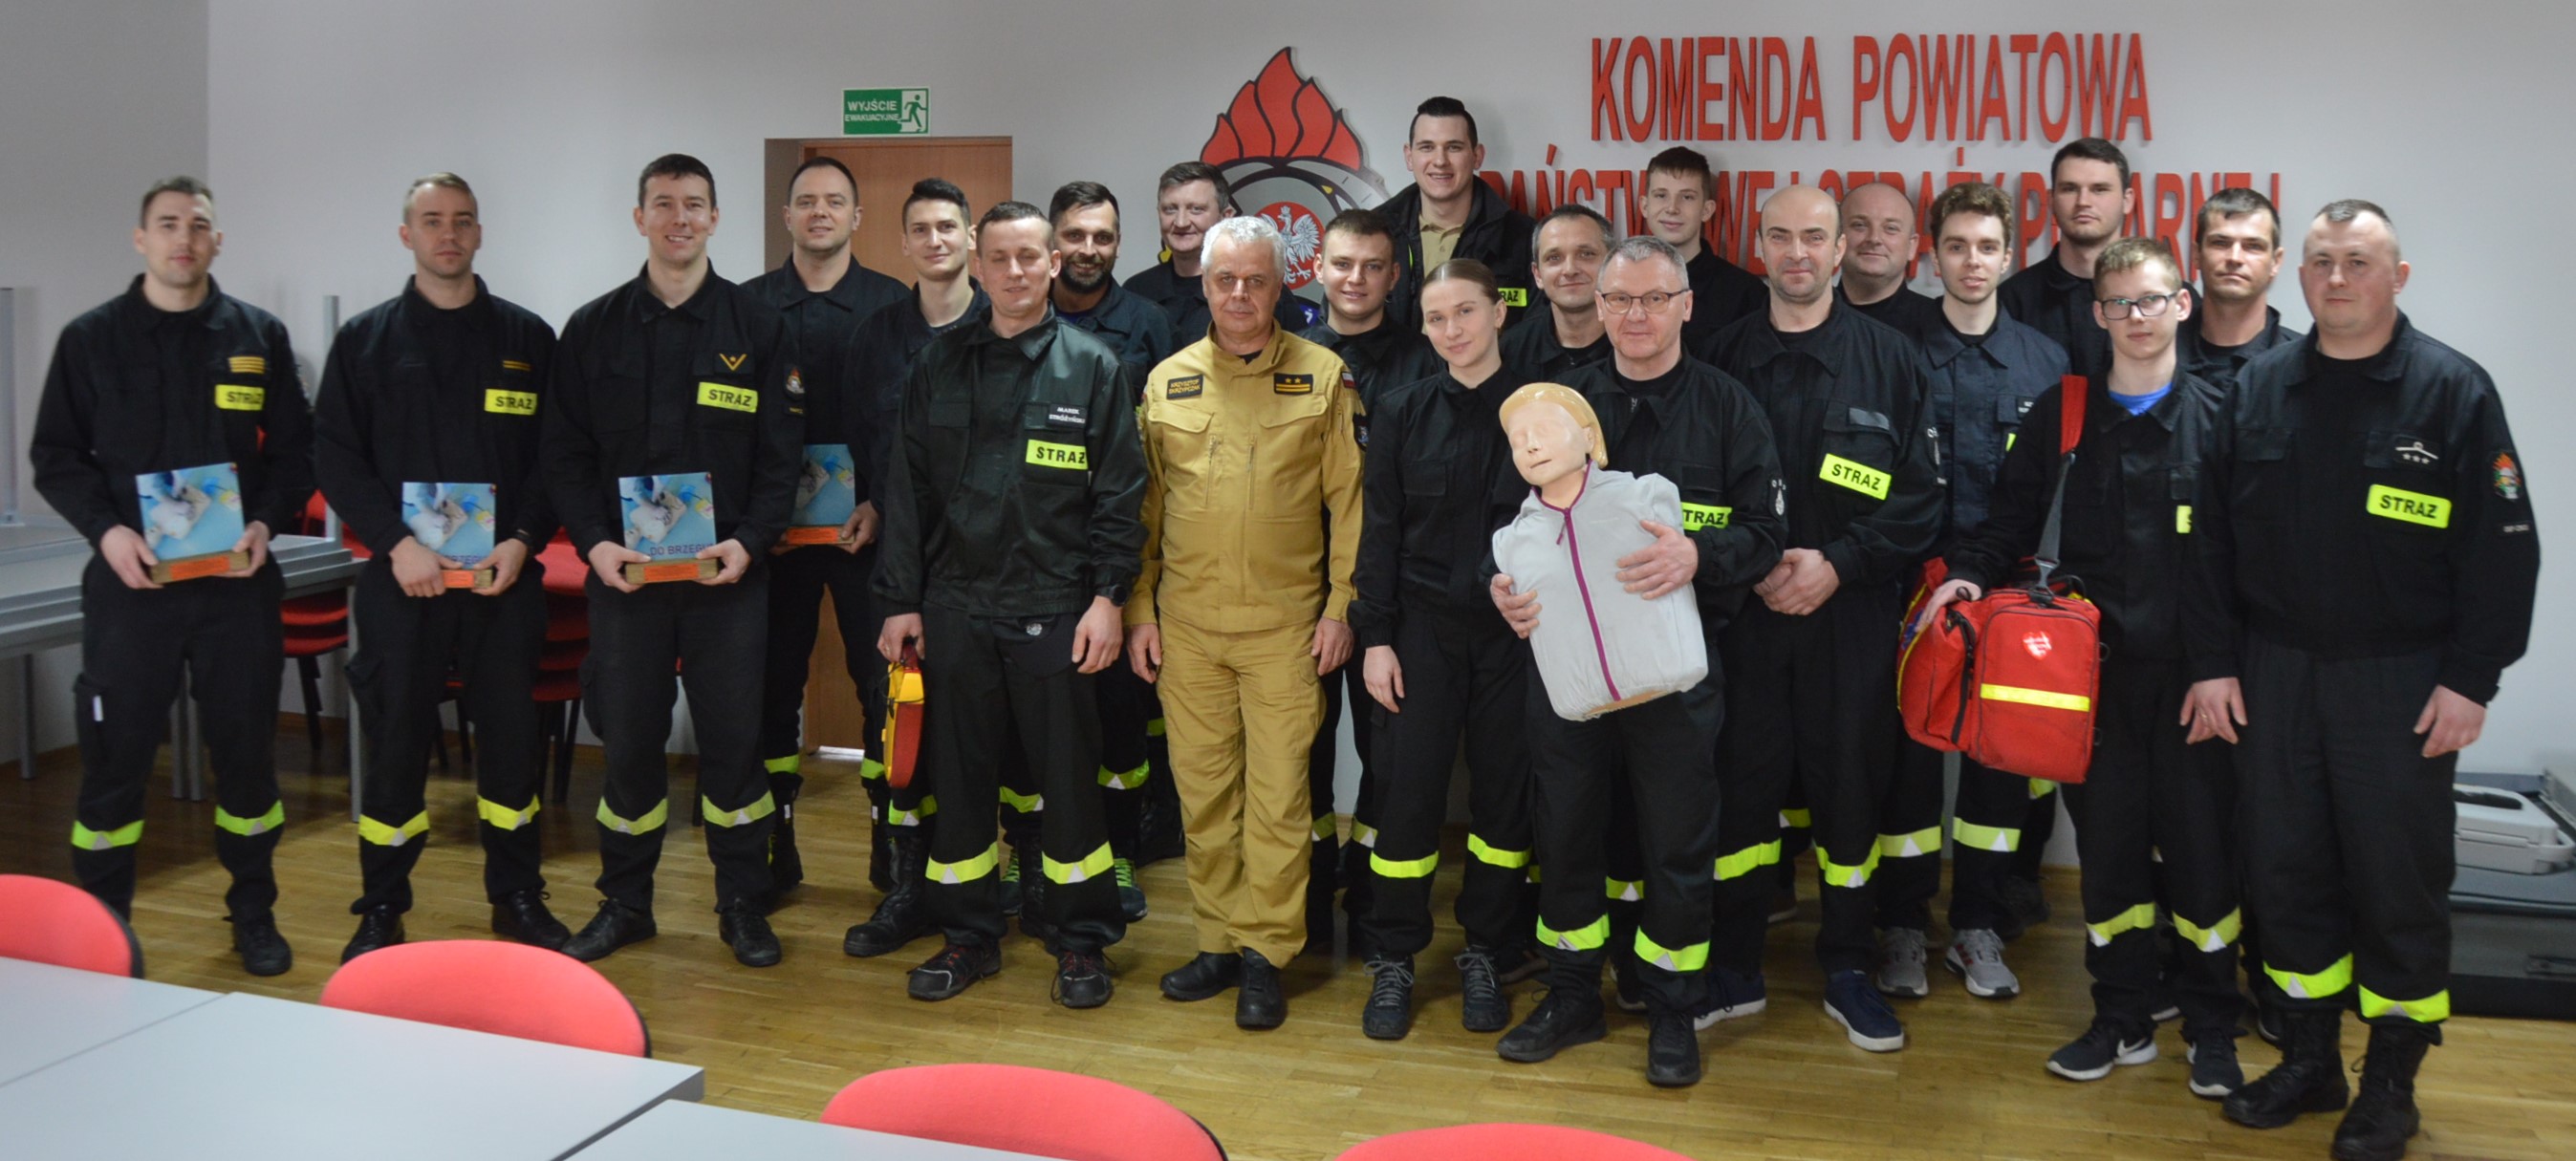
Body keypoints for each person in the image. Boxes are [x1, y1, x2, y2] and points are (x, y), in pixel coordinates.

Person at [2187, 200, 2539, 1160]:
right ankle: (2309, 1062)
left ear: (2397, 276)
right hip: (2274, 672)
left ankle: (2390, 1085)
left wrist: (2470, 680)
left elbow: (2504, 549)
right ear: (2298, 275)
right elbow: (2208, 542)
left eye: (2357, 261)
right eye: (2320, 262)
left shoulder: (2452, 391)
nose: (2335, 279)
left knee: (2396, 882)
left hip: (2400, 681)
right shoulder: (2258, 389)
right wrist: (2212, 662)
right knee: (2283, 871)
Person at [1918, 234, 2245, 1096]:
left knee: (2202, 859)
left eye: (2151, 300)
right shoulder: (2061, 417)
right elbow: (2007, 524)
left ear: (2182, 305)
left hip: (2194, 687)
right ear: (2097, 315)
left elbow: (2250, 564)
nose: (2135, 317)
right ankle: (2120, 1015)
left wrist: (2222, 668)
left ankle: (2213, 1026)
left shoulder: (2224, 419)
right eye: (2118, 303)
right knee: (2107, 858)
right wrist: (1965, 575)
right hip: (2087, 687)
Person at [1488, 236, 1786, 1087]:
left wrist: (1699, 554)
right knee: (1565, 836)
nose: (1635, 315)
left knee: (1676, 845)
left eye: (1655, 298)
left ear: (1685, 305)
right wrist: (1499, 587)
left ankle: (1672, 1007)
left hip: (1675, 675)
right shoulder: (1557, 403)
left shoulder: (1728, 406)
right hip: (1568, 675)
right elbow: (1508, 526)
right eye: (1619, 299)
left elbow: (1766, 533)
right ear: (1598, 305)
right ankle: (1571, 995)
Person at [32, 175, 312, 975]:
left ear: (217, 240)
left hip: (236, 588)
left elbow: (298, 451)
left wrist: (265, 522)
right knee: (114, 764)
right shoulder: (91, 339)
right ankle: (103, 929)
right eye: (166, 224)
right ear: (141, 238)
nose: (182, 238)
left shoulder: (257, 336)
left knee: (247, 761)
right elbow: (56, 456)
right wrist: (107, 531)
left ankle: (253, 914)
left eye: (197, 225)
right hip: (134, 590)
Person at [873, 201, 1147, 1008]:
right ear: (979, 266)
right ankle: (968, 934)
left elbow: (1121, 494)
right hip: (954, 606)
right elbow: (906, 486)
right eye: (1001, 257)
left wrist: (1108, 597)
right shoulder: (937, 364)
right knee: (959, 782)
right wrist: (900, 600)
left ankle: (1081, 941)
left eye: (1031, 256)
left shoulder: (1093, 365)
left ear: (1053, 263)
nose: (1017, 270)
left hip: (1055, 607)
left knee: (1068, 782)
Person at [1695, 186, 1942, 1053]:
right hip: (1743, 619)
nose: (1796, 252)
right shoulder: (1717, 358)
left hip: (1851, 618)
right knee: (1739, 793)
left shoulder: (1894, 360)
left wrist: (1837, 562)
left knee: (1849, 792)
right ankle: (1734, 967)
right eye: (1780, 236)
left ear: (1839, 251)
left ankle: (1847, 966)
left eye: (1813, 237)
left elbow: (1921, 500)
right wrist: (1750, 562)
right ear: (1757, 246)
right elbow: (1691, 492)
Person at [542, 153, 801, 967]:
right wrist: (594, 542)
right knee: (628, 744)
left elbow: (781, 459)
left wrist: (748, 542)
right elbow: (564, 456)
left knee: (734, 744)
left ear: (715, 218)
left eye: (694, 204)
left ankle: (741, 902)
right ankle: (625, 902)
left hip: (727, 582)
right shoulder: (592, 329)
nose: (679, 218)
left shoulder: (758, 328)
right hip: (626, 584)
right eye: (663, 203)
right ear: (639, 218)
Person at [314, 173, 566, 960]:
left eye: (461, 220)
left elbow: (557, 459)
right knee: (395, 746)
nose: (447, 234)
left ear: (479, 232)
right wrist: (396, 542)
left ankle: (517, 896)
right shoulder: (364, 342)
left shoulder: (528, 339)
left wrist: (522, 539)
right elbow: (335, 457)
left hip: (502, 580)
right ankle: (382, 906)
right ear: (407, 235)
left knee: (512, 743)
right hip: (403, 581)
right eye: (431, 221)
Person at [1130, 214, 1363, 1030]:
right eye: (1224, 279)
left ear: (1279, 284)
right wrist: (1137, 609)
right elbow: (1144, 512)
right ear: (1203, 283)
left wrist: (1340, 607)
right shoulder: (1167, 382)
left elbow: (1350, 503)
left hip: (1283, 628)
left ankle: (1266, 951)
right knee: (1203, 796)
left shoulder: (1322, 376)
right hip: (1187, 627)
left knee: (1278, 801)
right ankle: (1217, 942)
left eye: (1255, 280)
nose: (1239, 294)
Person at [1870, 182, 2069, 1001]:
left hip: (2009, 603)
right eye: (1956, 246)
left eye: (1987, 246)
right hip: (1911, 592)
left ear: (2009, 254)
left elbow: (2053, 493)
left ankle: (1978, 924)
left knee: (1997, 768)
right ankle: (1902, 924)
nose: (1972, 261)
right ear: (1932, 254)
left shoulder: (2045, 361)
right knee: (1908, 769)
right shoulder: (1890, 349)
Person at [1349, 260, 1537, 1040]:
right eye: (1436, 317)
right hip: (1419, 632)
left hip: (1513, 637)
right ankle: (1393, 956)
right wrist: (1376, 638)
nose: (1452, 330)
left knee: (1502, 802)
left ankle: (1487, 951)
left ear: (1498, 313)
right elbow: (1379, 533)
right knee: (1407, 797)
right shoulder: (1400, 411)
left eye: (1465, 312)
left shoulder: (1540, 411)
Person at [745, 156, 906, 898]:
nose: (819, 212)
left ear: (856, 217)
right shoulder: (746, 307)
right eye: (806, 201)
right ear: (786, 216)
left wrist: (880, 503)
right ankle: (774, 839)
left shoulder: (891, 305)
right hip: (774, 542)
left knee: (881, 688)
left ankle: (888, 839)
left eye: (834, 201)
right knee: (771, 687)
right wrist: (758, 518)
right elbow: (730, 427)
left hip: (867, 534)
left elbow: (908, 428)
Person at [838, 178, 991, 960]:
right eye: (921, 229)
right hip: (897, 565)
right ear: (903, 243)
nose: (935, 240)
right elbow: (864, 442)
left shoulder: (1001, 326)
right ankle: (905, 884)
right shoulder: (874, 336)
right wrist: (869, 500)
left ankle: (983, 888)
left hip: (985, 568)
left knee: (975, 730)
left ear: (970, 240)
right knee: (894, 721)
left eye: (947, 227)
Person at [1297, 206, 1439, 946]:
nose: (1355, 279)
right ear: (1318, 268)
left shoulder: (1426, 359)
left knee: (1391, 751)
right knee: (1303, 744)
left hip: (1395, 593)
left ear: (1394, 276)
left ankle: (1377, 897)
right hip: (1303, 587)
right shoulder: (1289, 356)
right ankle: (1311, 887)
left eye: (1372, 266)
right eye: (1343, 264)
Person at [1050, 179, 1179, 923]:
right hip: (1038, 545)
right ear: (1053, 240)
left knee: (1121, 712)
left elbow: (1166, 443)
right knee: (1041, 712)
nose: (1088, 249)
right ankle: (1037, 849)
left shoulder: (1148, 323)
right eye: (1075, 235)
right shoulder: (1020, 315)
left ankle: (1120, 850)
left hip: (1122, 539)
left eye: (1101, 237)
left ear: (1119, 243)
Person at [1376, 97, 1537, 331]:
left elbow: (1536, 336)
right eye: (1427, 147)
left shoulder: (1523, 239)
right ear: (1409, 157)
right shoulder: (1375, 232)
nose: (1440, 161)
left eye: (1454, 147)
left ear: (1477, 156)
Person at [1123, 161, 1314, 338]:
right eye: (1170, 209)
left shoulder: (1262, 291)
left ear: (1226, 217)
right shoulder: (1137, 291)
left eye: (1196, 209)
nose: (1181, 222)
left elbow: (1298, 358)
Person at [1999, 138, 2132, 384]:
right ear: (2051, 200)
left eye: (2099, 189)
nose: (2083, 201)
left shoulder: (2161, 299)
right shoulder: (2012, 302)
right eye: (2070, 189)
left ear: (2127, 200)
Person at [1638, 147, 1766, 343]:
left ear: (1706, 210)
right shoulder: (1619, 284)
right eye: (1661, 195)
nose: (1672, 208)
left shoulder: (1745, 294)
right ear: (1645, 206)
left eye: (1687, 197)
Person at [2178, 186, 2300, 393]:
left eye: (2253, 246)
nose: (2235, 258)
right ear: (2196, 254)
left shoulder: (2304, 363)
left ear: (2276, 262)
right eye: (2220, 243)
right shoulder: (2159, 354)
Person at [1500, 205, 1615, 380]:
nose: (1570, 270)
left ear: (1612, 264)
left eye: (1586, 254)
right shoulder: (1510, 350)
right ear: (1538, 275)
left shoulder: (1639, 344)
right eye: (1554, 258)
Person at [1835, 182, 1943, 334]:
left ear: (1912, 246)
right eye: (1860, 225)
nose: (1874, 239)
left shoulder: (1940, 328)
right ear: (1837, 239)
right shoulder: (1806, 319)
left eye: (1891, 228)